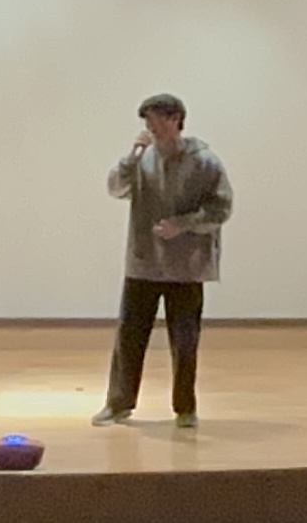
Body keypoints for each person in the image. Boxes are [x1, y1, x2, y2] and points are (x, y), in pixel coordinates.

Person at [91, 93, 233, 429]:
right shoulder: (142, 159)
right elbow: (115, 188)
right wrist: (132, 156)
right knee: (129, 338)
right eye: (147, 121)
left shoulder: (205, 162)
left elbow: (221, 208)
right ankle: (118, 404)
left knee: (184, 342)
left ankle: (185, 408)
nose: (151, 127)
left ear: (176, 120)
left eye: (156, 119)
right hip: (143, 263)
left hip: (186, 267)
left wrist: (182, 224)